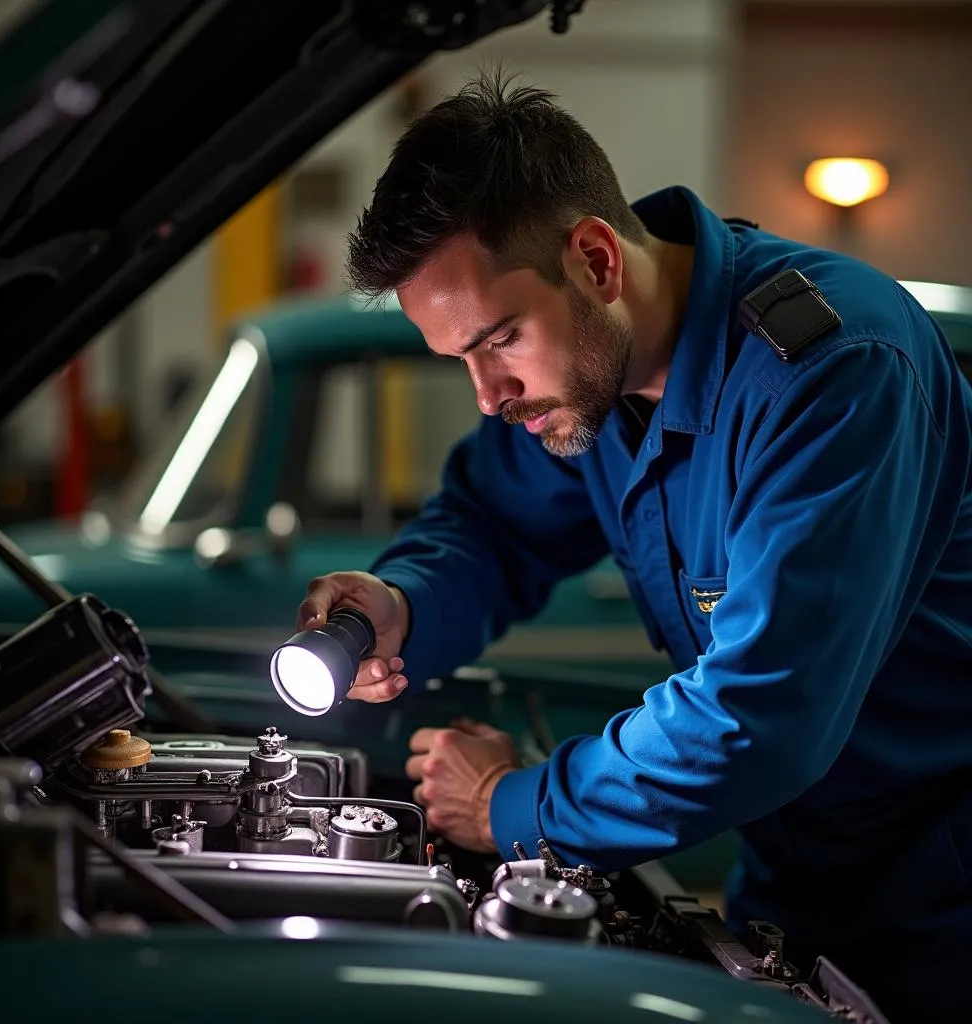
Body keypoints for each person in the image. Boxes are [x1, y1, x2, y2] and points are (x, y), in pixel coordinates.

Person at [295, 73, 972, 1020]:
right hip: (790, 882)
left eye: (500, 340)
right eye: (464, 361)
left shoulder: (832, 369)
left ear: (596, 261)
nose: (489, 396)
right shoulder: (585, 378)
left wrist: (511, 807)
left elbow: (759, 716)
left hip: (944, 900)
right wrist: (399, 603)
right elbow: (492, 525)